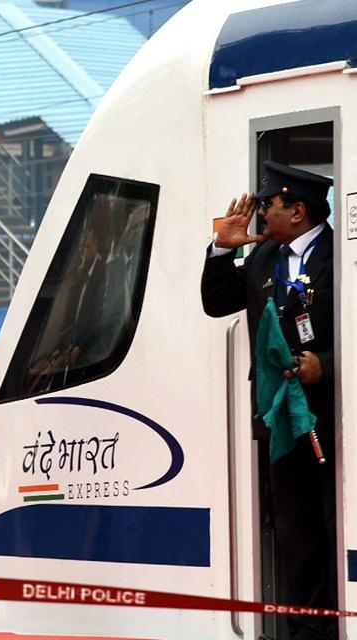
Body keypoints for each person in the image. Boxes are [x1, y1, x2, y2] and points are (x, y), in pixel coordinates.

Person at [201, 161, 335, 640]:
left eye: (266, 206)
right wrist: (222, 250)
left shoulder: (339, 255)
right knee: (295, 532)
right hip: (279, 420)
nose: (258, 215)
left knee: (334, 525)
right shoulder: (262, 257)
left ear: (297, 211)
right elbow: (216, 303)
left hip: (331, 419)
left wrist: (328, 363)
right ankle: (307, 632)